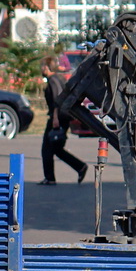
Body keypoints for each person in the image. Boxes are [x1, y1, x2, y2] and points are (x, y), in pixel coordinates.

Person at [38, 56, 87, 186]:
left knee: (46, 149)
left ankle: (50, 178)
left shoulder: (53, 81)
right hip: (63, 116)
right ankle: (80, 167)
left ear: (47, 67)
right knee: (57, 149)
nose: (41, 69)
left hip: (58, 118)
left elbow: (57, 100)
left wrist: (55, 118)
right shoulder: (58, 78)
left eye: (43, 66)